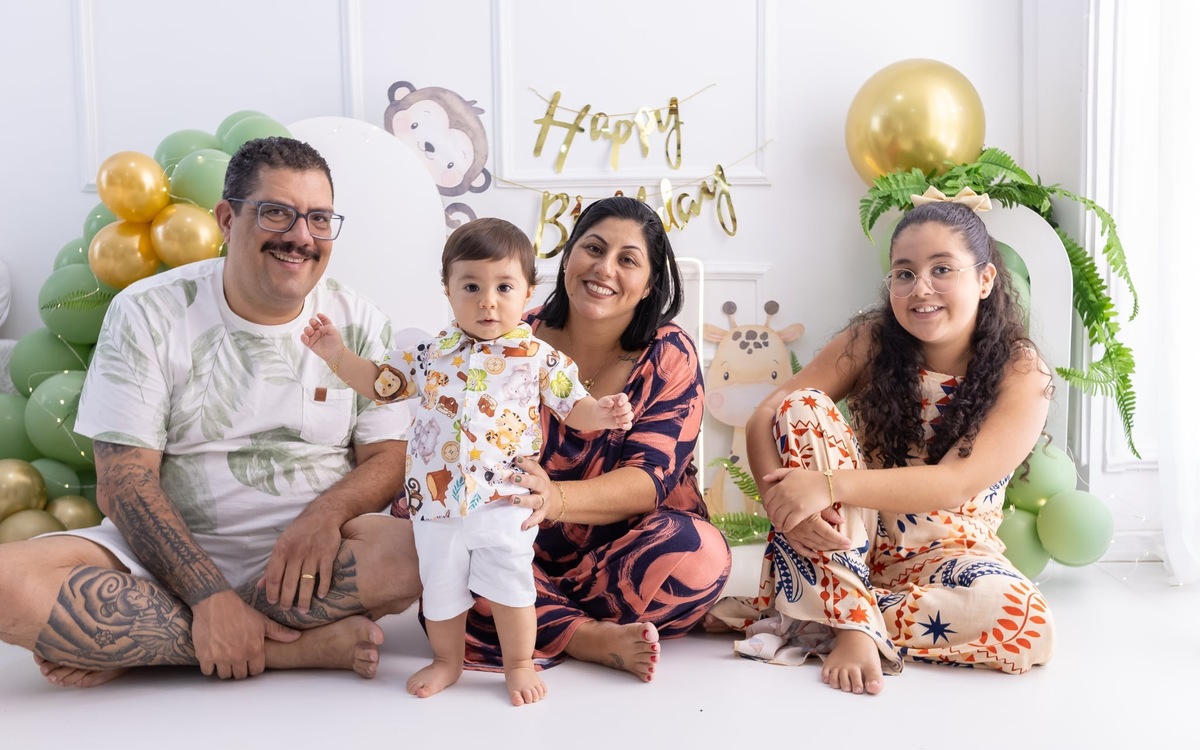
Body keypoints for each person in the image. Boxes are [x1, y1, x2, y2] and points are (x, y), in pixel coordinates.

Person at [0, 136, 421, 687]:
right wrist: (208, 595)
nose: (301, 237)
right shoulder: (147, 311)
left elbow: (387, 458)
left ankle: (147, 645)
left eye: (319, 219)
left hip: (309, 563)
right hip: (158, 563)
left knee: (416, 552)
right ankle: (287, 649)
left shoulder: (359, 319)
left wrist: (324, 517)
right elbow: (123, 481)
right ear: (227, 218)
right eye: (277, 213)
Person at [708, 200, 1057, 694]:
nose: (921, 288)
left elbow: (954, 482)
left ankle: (829, 612)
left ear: (985, 280)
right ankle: (849, 623)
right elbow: (767, 413)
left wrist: (827, 484)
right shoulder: (872, 339)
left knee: (1026, 623)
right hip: (853, 540)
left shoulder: (1022, 372)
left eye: (942, 269)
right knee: (802, 404)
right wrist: (784, 506)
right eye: (904, 273)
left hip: (951, 556)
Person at [390, 195, 731, 683]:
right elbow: (447, 422)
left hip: (621, 549)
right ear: (568, 256)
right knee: (442, 551)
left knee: (700, 556)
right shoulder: (505, 333)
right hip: (516, 541)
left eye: (627, 260)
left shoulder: (668, 353)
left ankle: (549, 624)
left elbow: (649, 480)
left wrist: (555, 498)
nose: (604, 268)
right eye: (592, 248)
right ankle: (586, 636)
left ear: (650, 282)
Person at [301, 217, 634, 705]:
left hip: (504, 499)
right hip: (436, 502)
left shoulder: (537, 356)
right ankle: (447, 660)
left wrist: (602, 413)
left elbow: (572, 404)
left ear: (526, 292)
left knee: (512, 587)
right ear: (448, 289)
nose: (487, 300)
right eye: (471, 286)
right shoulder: (431, 354)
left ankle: (518, 663)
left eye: (504, 286)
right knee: (440, 589)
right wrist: (336, 356)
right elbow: (379, 383)